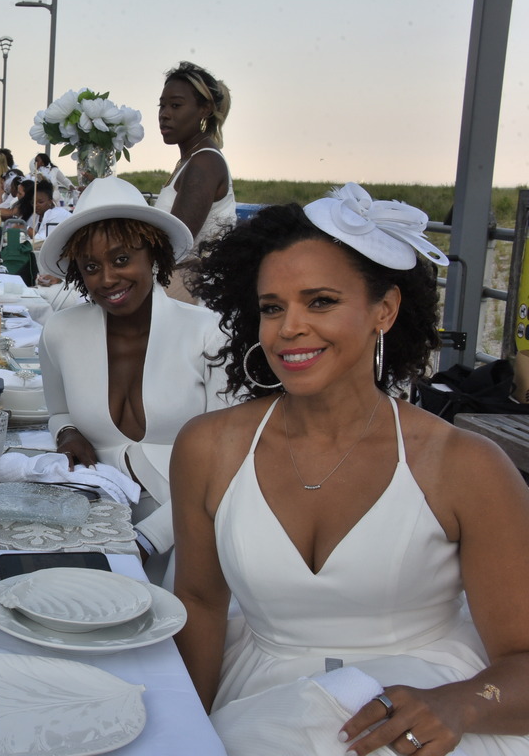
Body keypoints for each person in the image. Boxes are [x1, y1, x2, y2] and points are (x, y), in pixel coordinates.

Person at [172, 186, 529, 755]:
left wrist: (459, 703)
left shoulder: (465, 466)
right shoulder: (208, 449)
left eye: (320, 302)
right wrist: (182, 735)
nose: (289, 328)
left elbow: (521, 661)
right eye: (272, 307)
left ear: (383, 311)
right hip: (261, 702)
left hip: (423, 710)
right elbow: (200, 605)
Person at [37, 176, 228, 582]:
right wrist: (68, 432)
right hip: (98, 520)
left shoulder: (209, 334)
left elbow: (231, 462)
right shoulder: (60, 331)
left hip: (197, 527)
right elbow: (57, 411)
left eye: (122, 260)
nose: (107, 279)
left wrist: (148, 539)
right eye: (91, 267)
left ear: (154, 255)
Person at [155, 61, 234, 301]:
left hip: (194, 289)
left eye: (176, 105)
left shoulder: (205, 162)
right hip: (180, 278)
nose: (164, 114)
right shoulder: (190, 160)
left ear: (204, 109)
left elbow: (176, 243)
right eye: (162, 105)